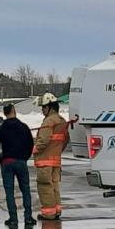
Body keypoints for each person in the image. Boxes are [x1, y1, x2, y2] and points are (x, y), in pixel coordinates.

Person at [0, 103, 36, 229]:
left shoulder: (1, 128)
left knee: (9, 191)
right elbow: (30, 144)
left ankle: (13, 218)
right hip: (21, 161)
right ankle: (28, 217)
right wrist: (25, 157)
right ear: (14, 111)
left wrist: (1, 160)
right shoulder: (23, 127)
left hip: (7, 162)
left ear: (5, 113)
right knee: (25, 189)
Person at [33, 93, 69, 221]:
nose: (42, 110)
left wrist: (34, 150)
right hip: (56, 162)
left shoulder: (48, 121)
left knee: (45, 187)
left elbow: (43, 140)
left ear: (50, 107)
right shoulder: (62, 121)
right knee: (54, 186)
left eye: (43, 107)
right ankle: (57, 210)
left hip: (45, 162)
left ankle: (48, 213)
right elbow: (65, 140)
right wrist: (58, 151)